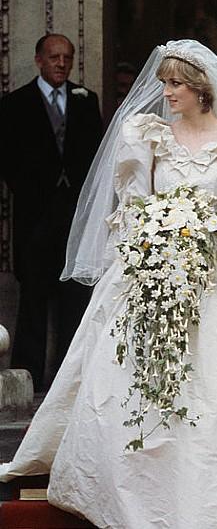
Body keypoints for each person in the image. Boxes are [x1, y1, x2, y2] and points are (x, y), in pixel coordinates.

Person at [0, 40, 217, 527]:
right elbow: (131, 207)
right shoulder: (146, 135)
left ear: (201, 89)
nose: (164, 92)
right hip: (151, 265)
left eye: (175, 84)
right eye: (165, 82)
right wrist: (145, 254)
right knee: (129, 374)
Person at [0, 34, 103, 391]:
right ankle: (28, 379)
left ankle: (69, 381)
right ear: (39, 60)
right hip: (34, 216)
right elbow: (8, 158)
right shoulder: (15, 103)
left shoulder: (87, 101)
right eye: (54, 57)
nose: (61, 63)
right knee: (33, 299)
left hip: (75, 216)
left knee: (75, 298)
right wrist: (32, 189)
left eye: (67, 57)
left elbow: (96, 157)